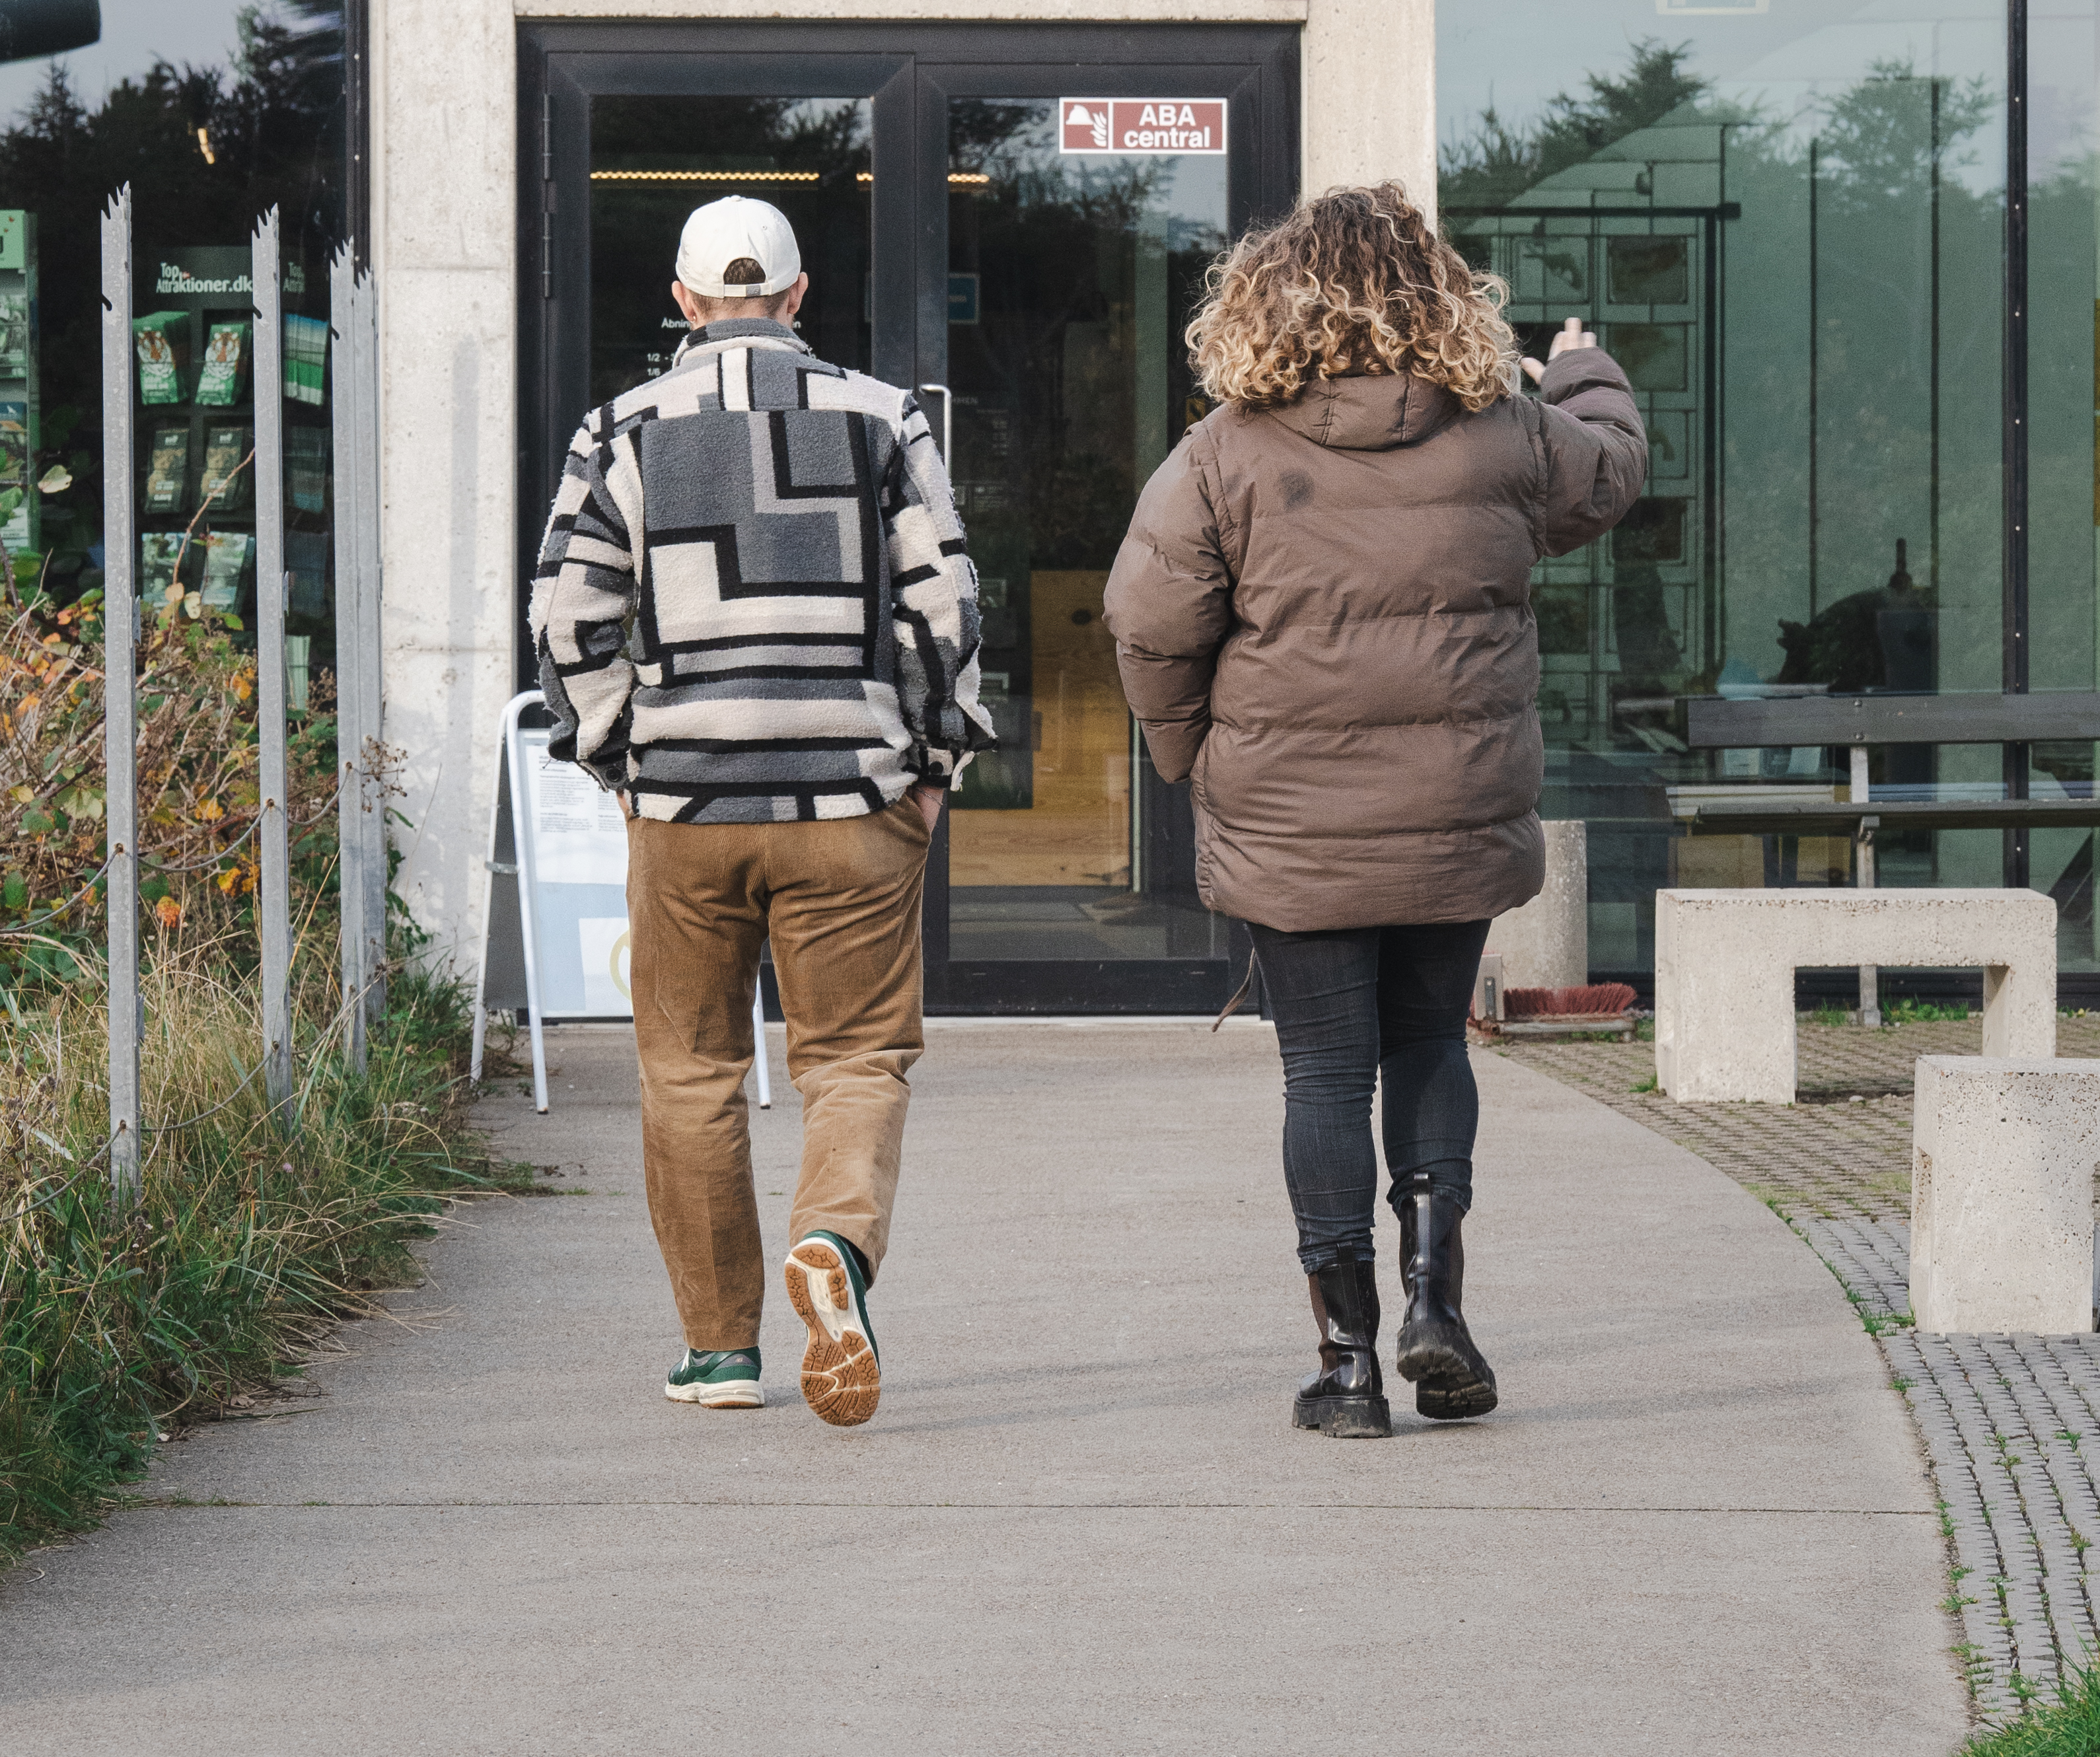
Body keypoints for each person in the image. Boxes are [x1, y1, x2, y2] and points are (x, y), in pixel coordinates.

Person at [1102, 184, 1646, 1439]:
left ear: (1271, 298)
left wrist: (1195, 755)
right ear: (1438, 294)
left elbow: (1146, 622)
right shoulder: (1505, 432)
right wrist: (1582, 368)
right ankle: (1435, 1307)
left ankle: (1347, 1367)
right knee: (1432, 1047)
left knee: (1325, 1073)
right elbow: (1609, 473)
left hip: (1290, 822)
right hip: (1455, 810)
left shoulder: (1225, 453)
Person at [531, 195, 990, 1427]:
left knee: (690, 1069)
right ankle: (833, 1245)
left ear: (682, 302)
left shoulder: (617, 429)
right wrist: (933, 760)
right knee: (854, 1058)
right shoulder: (882, 416)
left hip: (687, 807)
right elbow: (943, 604)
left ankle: (721, 1352)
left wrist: (625, 758)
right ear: (798, 298)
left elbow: (568, 621)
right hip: (852, 799)